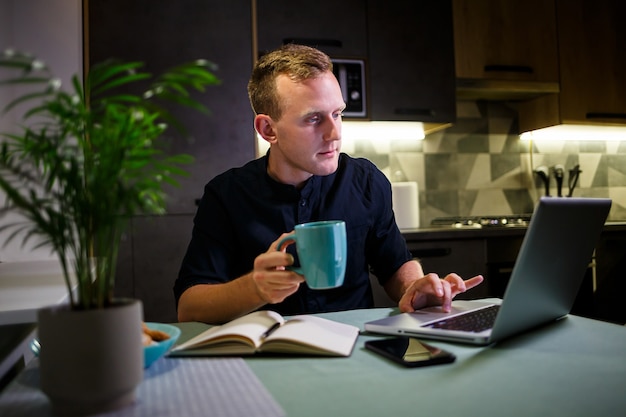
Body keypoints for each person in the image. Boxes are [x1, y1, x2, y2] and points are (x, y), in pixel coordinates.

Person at [174, 44, 483, 324]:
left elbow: (395, 265)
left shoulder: (366, 181)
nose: (335, 133)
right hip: (268, 360)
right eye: (313, 119)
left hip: (359, 352)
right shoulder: (226, 195)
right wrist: (255, 288)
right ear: (268, 129)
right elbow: (189, 308)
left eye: (338, 114)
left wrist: (415, 287)